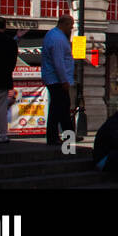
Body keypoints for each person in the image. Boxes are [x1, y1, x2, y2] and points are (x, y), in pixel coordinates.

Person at [41, 15, 75, 147]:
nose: (71, 29)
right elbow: (58, 62)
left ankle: (64, 135)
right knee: (60, 109)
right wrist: (64, 80)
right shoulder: (58, 39)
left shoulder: (52, 35)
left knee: (60, 109)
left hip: (54, 79)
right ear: (65, 24)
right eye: (70, 26)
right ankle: (63, 137)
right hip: (57, 80)